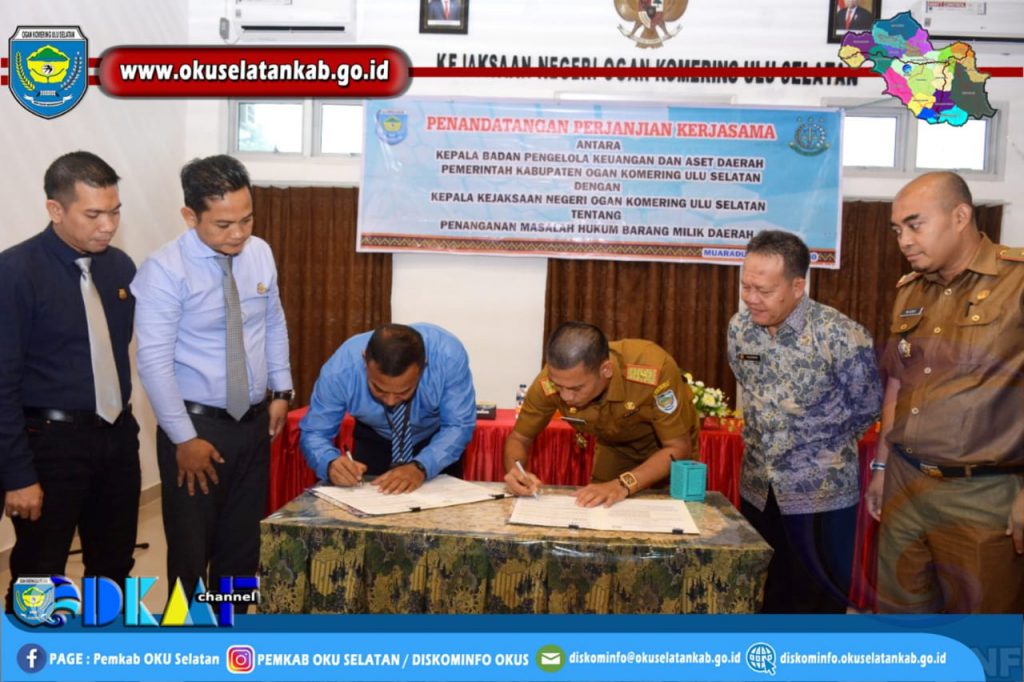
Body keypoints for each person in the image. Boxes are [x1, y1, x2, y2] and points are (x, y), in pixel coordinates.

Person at [132, 155, 294, 601]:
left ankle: (232, 633)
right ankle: (189, 636)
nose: (238, 233)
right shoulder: (165, 270)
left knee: (242, 548)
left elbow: (273, 322)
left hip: (252, 423)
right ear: (190, 216)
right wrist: (184, 438)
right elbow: (154, 362)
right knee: (191, 553)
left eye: (247, 219)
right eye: (223, 224)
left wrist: (281, 389)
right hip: (196, 428)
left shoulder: (259, 253)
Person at [868, 171, 1024, 613]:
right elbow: (898, 384)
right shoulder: (910, 291)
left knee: (981, 632)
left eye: (915, 225)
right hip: (905, 483)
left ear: (960, 216)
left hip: (982, 495)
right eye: (897, 230)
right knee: (901, 626)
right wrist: (881, 465)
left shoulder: (1017, 283)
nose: (904, 240)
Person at [1, 151, 140, 611]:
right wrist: (18, 475)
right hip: (49, 445)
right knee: (39, 571)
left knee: (113, 565)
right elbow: (3, 384)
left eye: (115, 212)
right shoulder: (15, 273)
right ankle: (30, 649)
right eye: (94, 214)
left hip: (116, 439)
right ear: (55, 209)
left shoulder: (120, 268)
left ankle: (102, 645)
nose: (108, 225)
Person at [727, 230, 881, 613]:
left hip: (820, 498)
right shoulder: (740, 329)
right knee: (761, 597)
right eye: (746, 286)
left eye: (764, 290)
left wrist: (819, 446)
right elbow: (749, 388)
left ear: (798, 286)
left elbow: (868, 406)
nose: (751, 298)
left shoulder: (841, 335)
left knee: (815, 607)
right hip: (759, 491)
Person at [504, 321, 698, 507]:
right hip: (613, 446)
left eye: (576, 388)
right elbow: (520, 438)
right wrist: (516, 471)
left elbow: (678, 448)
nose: (565, 396)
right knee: (599, 508)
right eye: (558, 386)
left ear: (606, 370)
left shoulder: (654, 369)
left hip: (664, 449)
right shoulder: (552, 380)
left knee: (673, 512)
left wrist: (623, 484)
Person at [300, 323, 476, 494]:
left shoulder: (447, 357)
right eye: (379, 389)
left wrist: (422, 466)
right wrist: (329, 463)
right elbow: (315, 432)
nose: (391, 402)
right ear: (365, 359)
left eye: (404, 391)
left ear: (423, 366)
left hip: (435, 442)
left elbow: (458, 426)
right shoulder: (341, 369)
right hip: (374, 437)